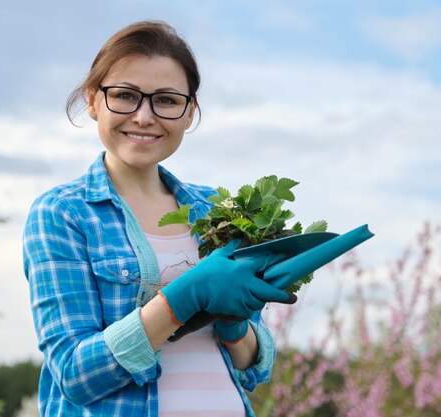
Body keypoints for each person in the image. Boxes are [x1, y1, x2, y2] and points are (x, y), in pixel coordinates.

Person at [22, 20, 297, 417]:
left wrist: (235, 326)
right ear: (93, 101)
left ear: (189, 113)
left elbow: (255, 367)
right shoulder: (63, 213)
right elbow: (74, 374)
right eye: (125, 95)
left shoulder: (217, 211)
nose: (145, 116)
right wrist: (183, 298)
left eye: (166, 100)